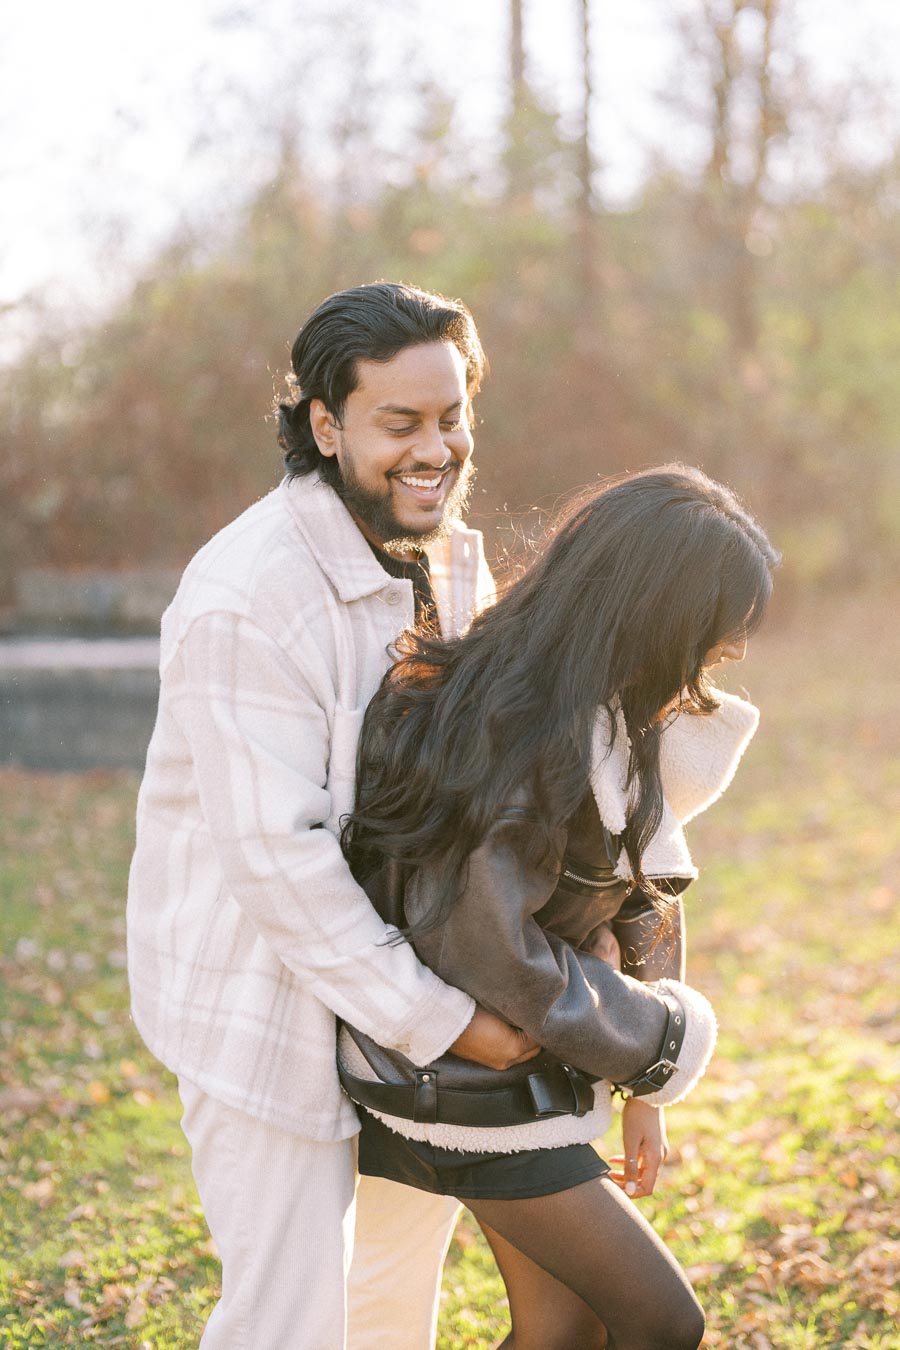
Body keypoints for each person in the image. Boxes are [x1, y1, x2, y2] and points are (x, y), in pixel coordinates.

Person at [126, 282, 540, 1350]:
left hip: (411, 989)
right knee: (292, 1321)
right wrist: (449, 1024)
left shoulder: (452, 556)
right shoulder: (246, 595)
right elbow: (281, 863)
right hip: (264, 999)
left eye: (452, 417)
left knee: (394, 1301)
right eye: (399, 424)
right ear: (325, 424)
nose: (436, 449)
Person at [338, 465, 780, 1350]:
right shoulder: (514, 722)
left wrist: (645, 1088)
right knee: (661, 1321)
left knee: (560, 1332)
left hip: (517, 1071)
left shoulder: (610, 714)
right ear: (654, 619)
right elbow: (483, 943)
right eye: (712, 639)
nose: (721, 661)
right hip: (457, 1080)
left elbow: (645, 890)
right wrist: (655, 1043)